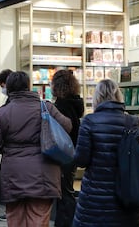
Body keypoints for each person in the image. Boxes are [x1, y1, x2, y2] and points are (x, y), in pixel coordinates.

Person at [0, 71, 72, 227]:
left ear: (9, 88)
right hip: (44, 173)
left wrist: (4, 148)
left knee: (15, 219)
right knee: (38, 219)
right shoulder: (46, 107)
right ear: (28, 86)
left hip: (13, 174)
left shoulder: (4, 112)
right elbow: (67, 126)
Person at [73, 79, 139, 226]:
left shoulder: (89, 121)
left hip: (94, 198)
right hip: (126, 194)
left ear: (97, 97)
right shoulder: (132, 122)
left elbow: (81, 160)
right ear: (118, 95)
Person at [51, 69, 84, 227]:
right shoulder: (76, 103)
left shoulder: (61, 105)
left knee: (64, 194)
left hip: (61, 153)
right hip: (73, 152)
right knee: (67, 191)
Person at [0, 68, 13, 222]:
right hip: (29, 156)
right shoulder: (36, 103)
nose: (2, 89)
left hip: (11, 153)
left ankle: (11, 212)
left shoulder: (7, 107)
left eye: (2, 85)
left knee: (10, 183)